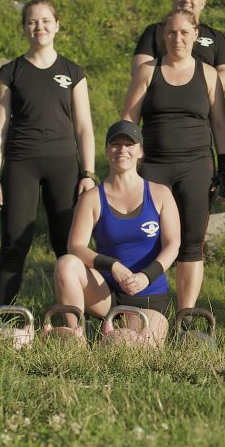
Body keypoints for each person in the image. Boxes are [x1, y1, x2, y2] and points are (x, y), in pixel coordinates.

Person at [0, 0, 96, 307]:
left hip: (64, 165)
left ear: (57, 25)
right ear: (24, 28)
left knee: (69, 246)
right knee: (14, 243)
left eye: (46, 21)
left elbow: (84, 128)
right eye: (32, 22)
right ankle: (5, 317)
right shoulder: (9, 73)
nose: (39, 27)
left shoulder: (73, 72)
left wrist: (87, 173)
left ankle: (73, 316)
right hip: (21, 163)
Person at [122, 9, 225, 311]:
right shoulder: (148, 71)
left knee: (191, 242)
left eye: (184, 32)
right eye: (171, 32)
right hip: (154, 166)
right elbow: (128, 121)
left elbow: (221, 125)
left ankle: (185, 313)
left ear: (196, 34)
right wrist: (129, 164)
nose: (178, 38)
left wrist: (224, 168)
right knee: (148, 237)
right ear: (163, 36)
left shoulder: (208, 75)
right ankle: (145, 306)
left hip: (196, 167)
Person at [53, 121, 180, 345]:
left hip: (149, 296)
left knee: (129, 346)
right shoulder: (92, 197)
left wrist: (146, 276)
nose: (122, 150)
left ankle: (109, 334)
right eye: (115, 144)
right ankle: (77, 340)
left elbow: (173, 245)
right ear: (106, 150)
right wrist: (112, 265)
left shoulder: (160, 194)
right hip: (107, 294)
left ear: (140, 152)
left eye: (129, 145)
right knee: (66, 263)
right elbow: (76, 247)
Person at [132, 0, 225, 91]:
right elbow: (139, 70)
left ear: (203, 4)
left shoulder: (217, 37)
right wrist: (173, 87)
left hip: (202, 103)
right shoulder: (154, 31)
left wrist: (195, 88)